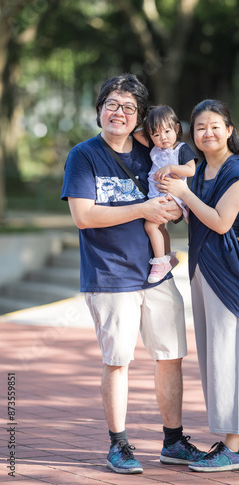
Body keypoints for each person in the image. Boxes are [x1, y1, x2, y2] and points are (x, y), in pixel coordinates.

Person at [60, 74, 205, 475]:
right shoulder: (84, 155)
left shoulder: (153, 151)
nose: (118, 112)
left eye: (127, 106)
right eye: (111, 103)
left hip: (157, 273)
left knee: (171, 355)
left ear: (139, 116)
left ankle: (173, 441)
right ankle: (119, 444)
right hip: (110, 275)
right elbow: (84, 216)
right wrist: (142, 210)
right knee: (118, 360)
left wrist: (172, 209)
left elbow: (174, 198)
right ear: (99, 110)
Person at [158, 99, 239, 472]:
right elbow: (190, 213)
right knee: (215, 358)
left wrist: (185, 194)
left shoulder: (236, 171)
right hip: (203, 269)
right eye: (200, 127)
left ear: (229, 130)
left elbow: (221, 222)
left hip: (231, 276)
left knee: (228, 358)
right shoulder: (200, 168)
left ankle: (233, 446)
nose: (207, 133)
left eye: (214, 126)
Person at [134, 105, 197, 283]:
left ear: (177, 128)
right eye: (156, 134)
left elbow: (190, 170)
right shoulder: (155, 148)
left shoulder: (181, 149)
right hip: (157, 196)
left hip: (171, 196)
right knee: (160, 228)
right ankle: (169, 257)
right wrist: (151, 121)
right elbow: (136, 134)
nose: (163, 138)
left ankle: (160, 262)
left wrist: (170, 167)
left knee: (151, 227)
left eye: (167, 131)